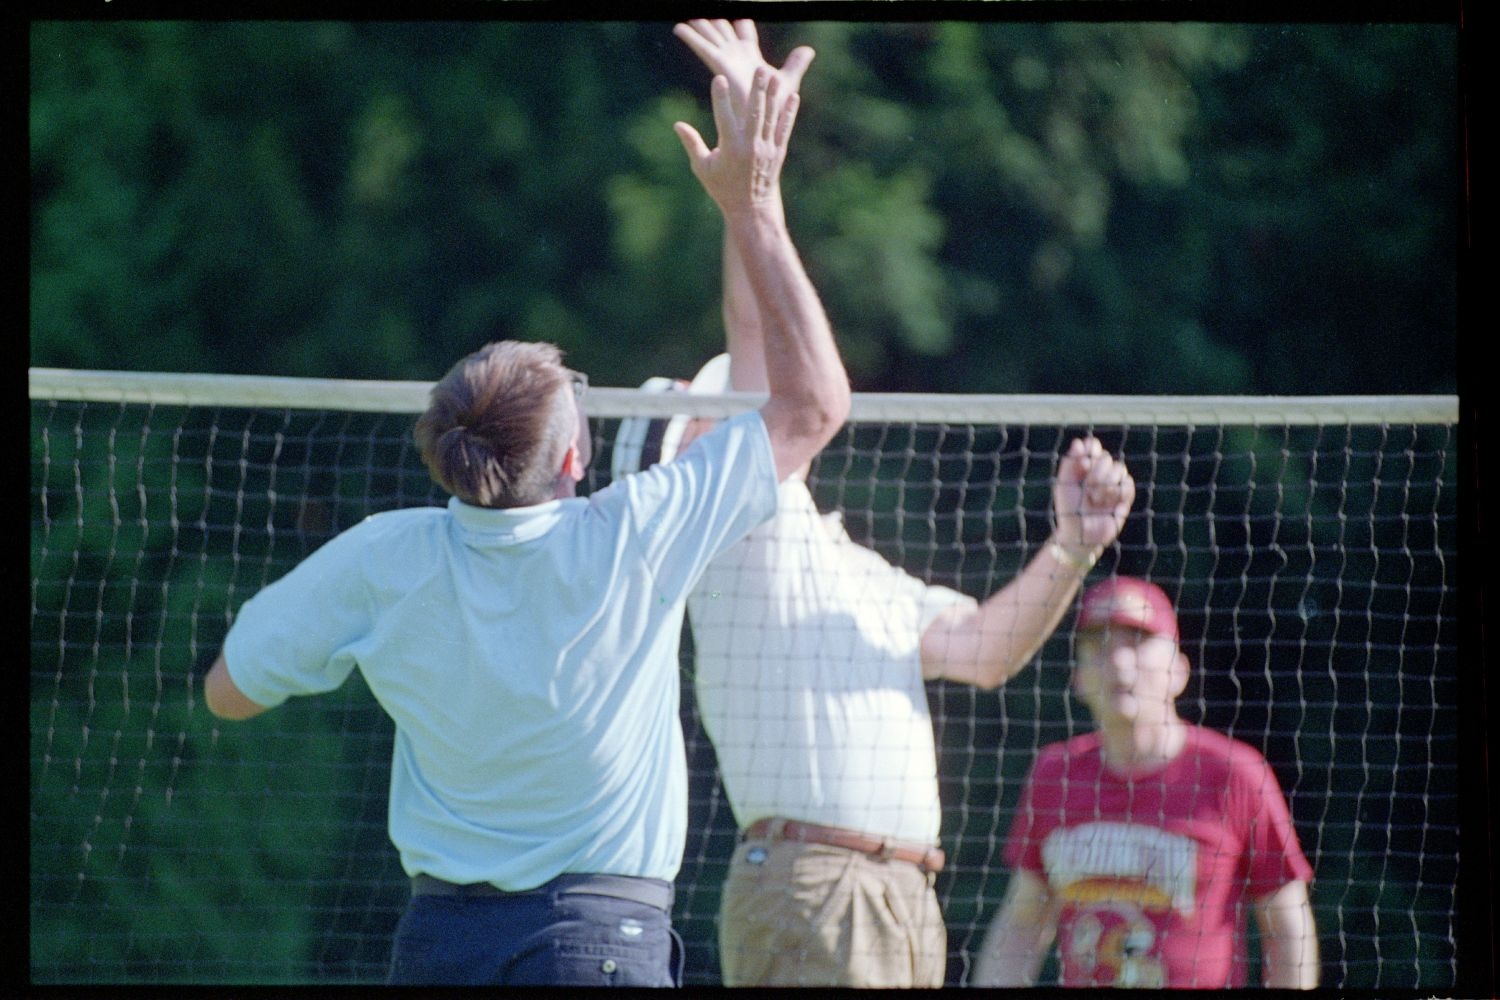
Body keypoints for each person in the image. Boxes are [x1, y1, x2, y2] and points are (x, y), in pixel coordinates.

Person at [200, 47, 852, 987]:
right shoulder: (633, 532)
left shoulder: (389, 559)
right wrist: (753, 207)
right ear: (575, 459)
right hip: (600, 939)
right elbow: (814, 405)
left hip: (439, 944)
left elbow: (229, 690)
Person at [612, 20, 1138, 987]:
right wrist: (752, 187)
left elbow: (982, 651)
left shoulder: (849, 563)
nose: (718, 407)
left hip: (897, 898)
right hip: (817, 887)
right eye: (696, 412)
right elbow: (757, 333)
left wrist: (1070, 548)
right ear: (675, 457)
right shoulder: (724, 525)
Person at [970, 575, 1320, 989]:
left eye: (1137, 642)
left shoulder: (1235, 774)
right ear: (1077, 678)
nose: (1119, 663)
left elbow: (1287, 925)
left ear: (1179, 671)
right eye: (1099, 647)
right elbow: (1023, 923)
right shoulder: (1055, 774)